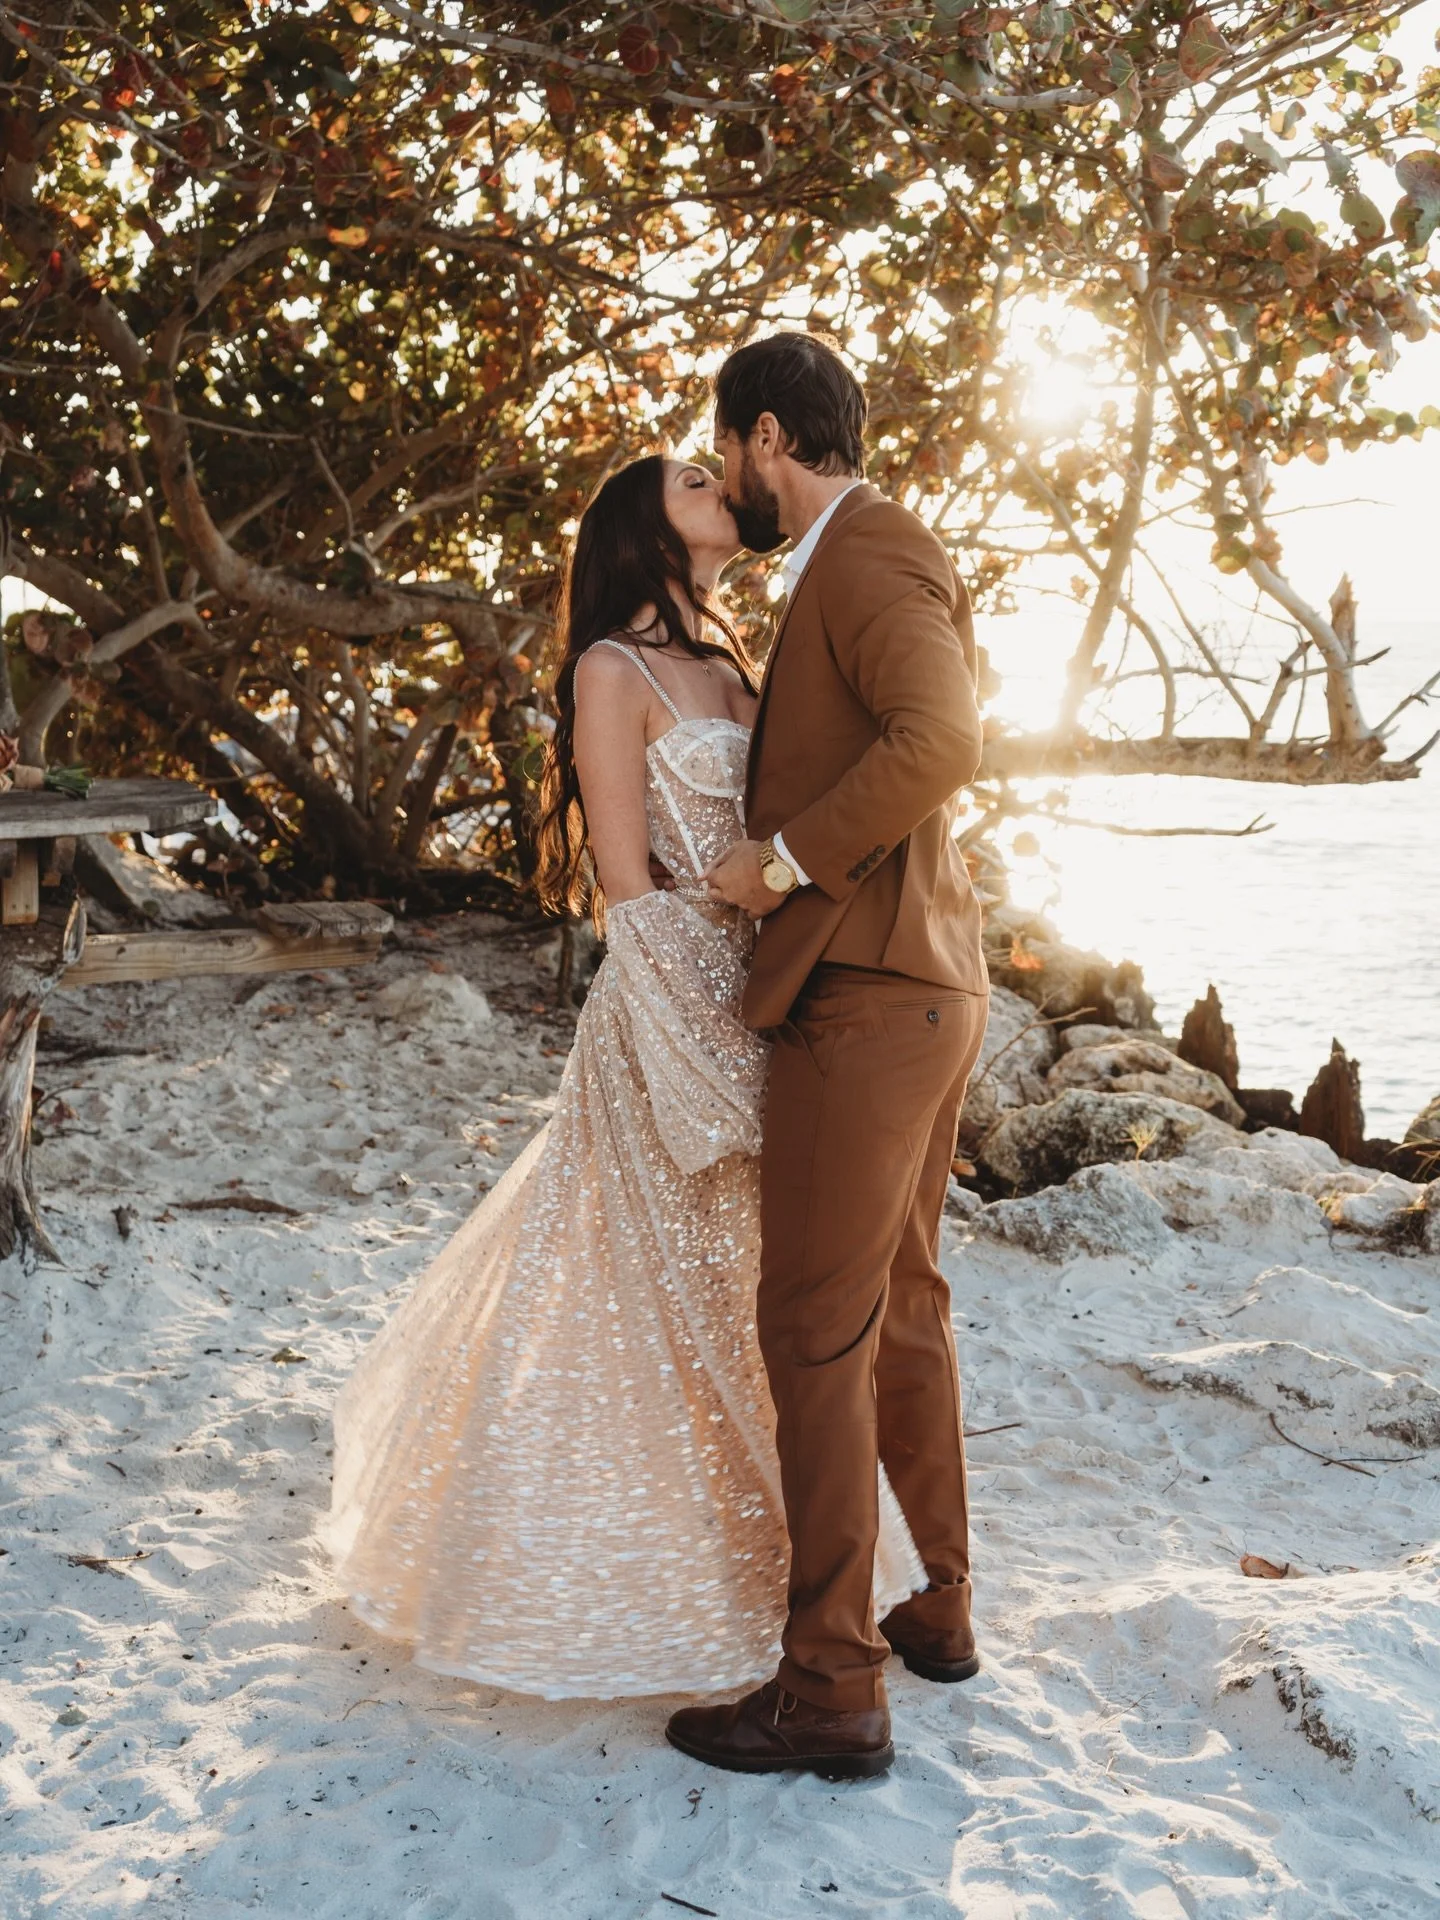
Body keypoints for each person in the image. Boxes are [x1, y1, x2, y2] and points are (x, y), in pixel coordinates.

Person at [322, 452, 923, 1703]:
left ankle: (791, 1582)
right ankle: (655, 1582)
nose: (725, 486)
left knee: (761, 1299)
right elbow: (625, 885)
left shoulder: (742, 656)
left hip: (781, 996)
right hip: (674, 1005)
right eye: (698, 479)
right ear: (647, 525)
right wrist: (700, 1040)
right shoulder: (613, 669)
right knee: (652, 1303)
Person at [664, 331, 989, 1779]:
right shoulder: (855, 561)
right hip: (919, 984)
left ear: (772, 437)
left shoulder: (864, 558)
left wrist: (781, 861)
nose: (727, 473)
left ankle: (830, 1684)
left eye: (729, 446)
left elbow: (944, 739)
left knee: (810, 1326)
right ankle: (943, 1608)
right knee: (901, 1305)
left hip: (867, 1000)